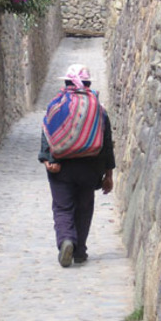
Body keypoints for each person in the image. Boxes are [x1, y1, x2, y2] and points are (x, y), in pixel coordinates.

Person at [38, 64, 116, 268]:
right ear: (88, 83)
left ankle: (66, 240)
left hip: (61, 168)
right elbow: (107, 144)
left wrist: (49, 160)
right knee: (84, 208)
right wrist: (109, 175)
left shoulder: (57, 105)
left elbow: (47, 133)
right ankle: (80, 251)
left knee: (63, 207)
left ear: (66, 83)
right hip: (90, 169)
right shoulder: (98, 109)